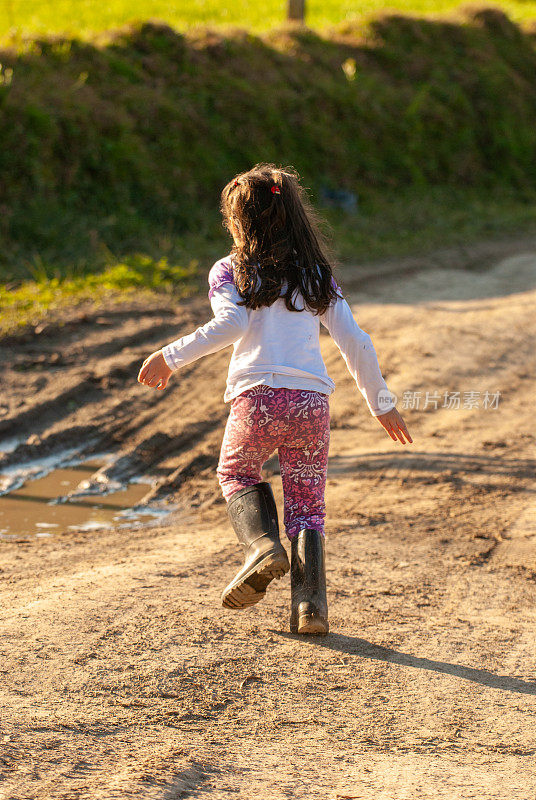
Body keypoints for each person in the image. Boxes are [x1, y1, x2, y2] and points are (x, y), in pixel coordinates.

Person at [137, 163, 412, 636]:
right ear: (293, 215)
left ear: (239, 220)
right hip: (311, 406)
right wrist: (381, 403)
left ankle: (261, 546)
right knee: (308, 507)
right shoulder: (316, 276)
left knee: (237, 472)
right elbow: (356, 340)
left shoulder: (228, 270)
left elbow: (232, 325)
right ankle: (310, 608)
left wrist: (170, 355)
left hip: (258, 399)